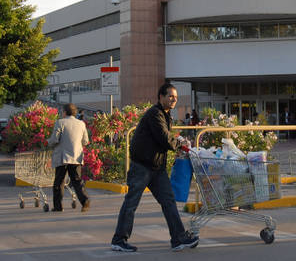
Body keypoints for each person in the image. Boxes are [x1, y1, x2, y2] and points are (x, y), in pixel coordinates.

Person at [111, 83, 199, 252]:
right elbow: (164, 138)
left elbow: (164, 139)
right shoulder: (155, 114)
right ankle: (119, 240)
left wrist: (178, 144)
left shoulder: (166, 115)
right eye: (170, 96)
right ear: (161, 97)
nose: (174, 100)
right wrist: (179, 144)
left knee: (168, 201)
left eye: (176, 97)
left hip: (157, 168)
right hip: (142, 166)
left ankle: (178, 238)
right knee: (131, 203)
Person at [47, 103, 91, 213]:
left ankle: (58, 206)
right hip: (76, 157)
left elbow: (54, 139)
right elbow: (86, 141)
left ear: (65, 112)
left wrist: (48, 142)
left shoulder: (60, 122)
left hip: (62, 157)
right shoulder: (81, 124)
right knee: (77, 181)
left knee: (59, 182)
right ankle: (85, 200)